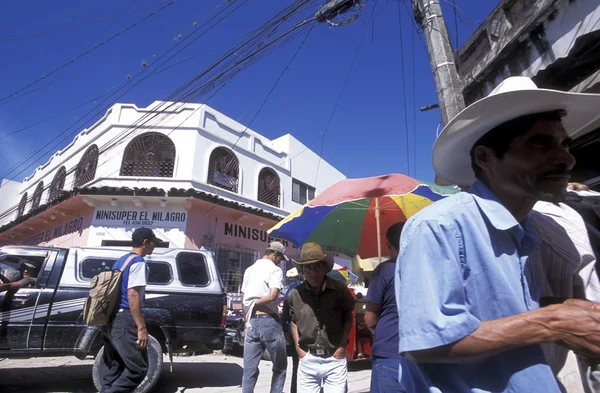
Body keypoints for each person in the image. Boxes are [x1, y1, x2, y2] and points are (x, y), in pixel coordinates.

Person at [395, 76, 600, 392]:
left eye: (564, 144)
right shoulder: (440, 226)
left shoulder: (538, 229)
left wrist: (565, 311)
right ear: (486, 158)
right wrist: (556, 320)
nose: (566, 158)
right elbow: (426, 342)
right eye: (540, 143)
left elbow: (502, 308)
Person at [288, 242, 355, 393]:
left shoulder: (340, 290)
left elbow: (348, 318)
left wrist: (342, 346)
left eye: (317, 266)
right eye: (308, 268)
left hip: (334, 359)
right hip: (308, 359)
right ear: (302, 271)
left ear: (324, 267)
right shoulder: (295, 294)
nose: (313, 272)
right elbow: (293, 321)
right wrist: (299, 348)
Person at [99, 227, 158, 393]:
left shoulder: (121, 261)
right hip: (125, 320)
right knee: (138, 368)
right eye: (153, 243)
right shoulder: (138, 262)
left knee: (113, 366)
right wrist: (141, 327)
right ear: (145, 242)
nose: (154, 247)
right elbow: (133, 295)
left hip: (110, 319)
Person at [241, 241, 288, 393]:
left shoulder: (249, 270)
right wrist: (255, 303)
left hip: (251, 322)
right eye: (280, 258)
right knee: (280, 367)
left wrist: (246, 321)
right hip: (269, 321)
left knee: (249, 369)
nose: (280, 262)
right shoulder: (275, 270)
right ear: (274, 254)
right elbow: (273, 296)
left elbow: (244, 298)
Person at [364, 222, 404, 393]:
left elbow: (370, 318)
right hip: (423, 354)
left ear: (388, 244)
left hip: (389, 354)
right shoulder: (428, 268)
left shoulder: (385, 270)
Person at [281, 270, 304, 393]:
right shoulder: (293, 287)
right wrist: (285, 331)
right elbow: (285, 312)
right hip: (297, 334)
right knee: (297, 366)